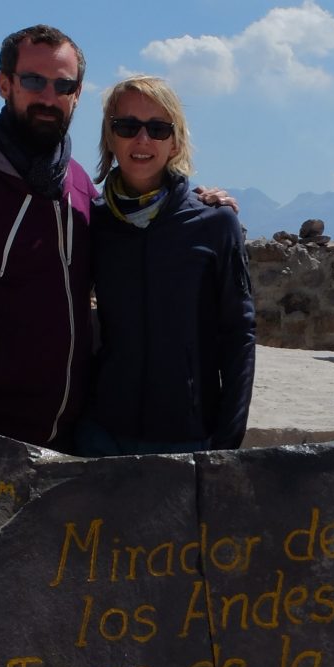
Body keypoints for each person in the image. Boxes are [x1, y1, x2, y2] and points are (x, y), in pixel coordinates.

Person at [0, 25, 236, 450]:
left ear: (77, 94)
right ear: (4, 84)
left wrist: (196, 201)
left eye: (63, 84)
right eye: (34, 81)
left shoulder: (81, 185)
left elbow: (144, 236)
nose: (49, 97)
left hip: (74, 429)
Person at [74, 75, 254, 456]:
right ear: (110, 136)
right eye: (127, 126)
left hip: (187, 436)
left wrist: (228, 438)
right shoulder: (92, 222)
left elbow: (238, 332)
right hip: (100, 432)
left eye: (158, 128)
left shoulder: (215, 223)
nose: (142, 140)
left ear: (176, 142)